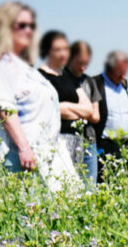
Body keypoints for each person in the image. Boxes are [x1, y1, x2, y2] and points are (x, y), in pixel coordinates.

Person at [0, 1, 79, 192]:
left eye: (31, 26)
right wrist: (25, 149)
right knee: (30, 217)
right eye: (21, 25)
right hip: (22, 157)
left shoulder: (23, 67)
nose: (29, 31)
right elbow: (5, 109)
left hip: (46, 154)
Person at [37, 31, 97, 176]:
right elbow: (49, 109)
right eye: (58, 50)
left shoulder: (68, 77)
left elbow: (89, 110)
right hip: (57, 139)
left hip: (78, 140)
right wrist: (75, 110)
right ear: (47, 51)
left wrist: (65, 106)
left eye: (65, 49)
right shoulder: (40, 76)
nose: (63, 54)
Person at [90, 50, 128, 181]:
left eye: (125, 72)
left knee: (126, 185)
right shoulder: (95, 83)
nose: (123, 76)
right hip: (105, 145)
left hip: (125, 145)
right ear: (110, 68)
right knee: (105, 183)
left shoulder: (125, 85)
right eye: (120, 72)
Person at [65, 40, 102, 184]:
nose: (83, 67)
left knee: (89, 185)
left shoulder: (89, 81)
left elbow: (95, 116)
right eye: (79, 63)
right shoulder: (61, 79)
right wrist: (85, 110)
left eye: (86, 63)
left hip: (89, 140)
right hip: (67, 138)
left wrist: (71, 108)